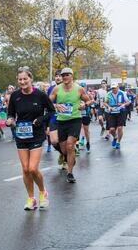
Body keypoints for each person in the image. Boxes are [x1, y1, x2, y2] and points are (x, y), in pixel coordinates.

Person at [7, 67, 54, 210]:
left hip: (36, 134)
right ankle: (31, 199)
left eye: (25, 79)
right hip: (21, 135)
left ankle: (42, 192)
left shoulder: (40, 95)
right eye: (20, 79)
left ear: (30, 79)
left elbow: (51, 111)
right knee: (26, 169)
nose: (22, 82)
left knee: (33, 168)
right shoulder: (15, 96)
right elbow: (10, 113)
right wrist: (9, 120)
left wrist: (41, 119)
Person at [49, 68, 91, 183]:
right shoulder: (57, 89)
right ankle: (70, 158)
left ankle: (70, 172)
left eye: (67, 75)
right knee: (63, 149)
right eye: (63, 75)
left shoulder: (79, 89)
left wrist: (84, 105)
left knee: (70, 145)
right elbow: (48, 102)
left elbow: (89, 101)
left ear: (72, 76)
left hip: (75, 120)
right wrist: (56, 105)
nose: (64, 77)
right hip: (61, 121)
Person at [103, 83, 130, 150]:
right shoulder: (108, 94)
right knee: (112, 129)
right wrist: (108, 107)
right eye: (112, 88)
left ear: (118, 87)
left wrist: (123, 105)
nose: (113, 89)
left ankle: (118, 142)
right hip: (111, 112)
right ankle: (115, 137)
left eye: (115, 88)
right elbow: (104, 102)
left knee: (120, 128)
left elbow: (128, 102)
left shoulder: (122, 93)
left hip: (121, 112)